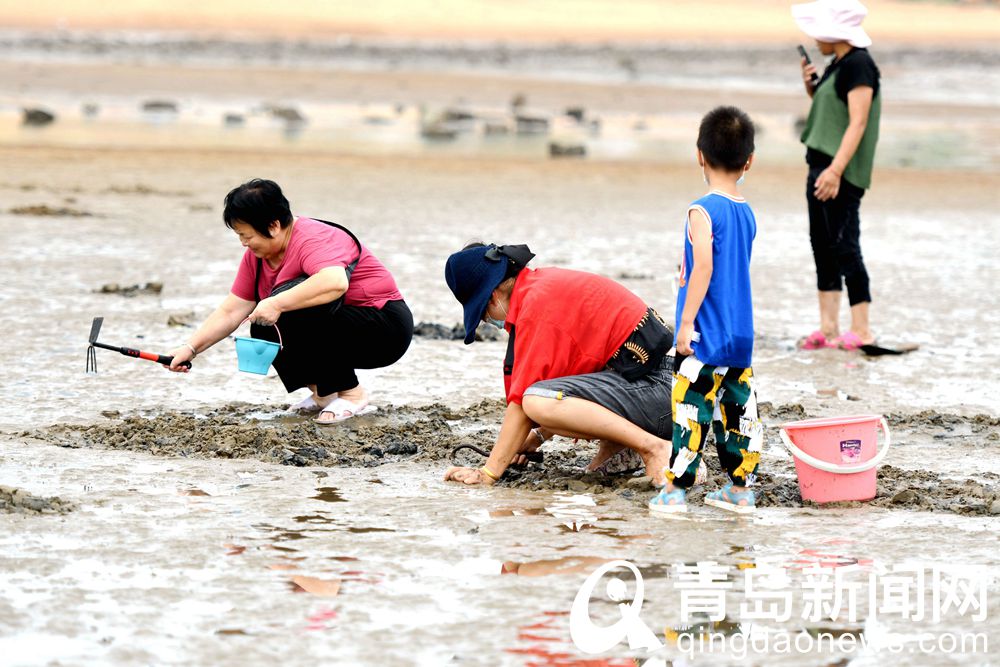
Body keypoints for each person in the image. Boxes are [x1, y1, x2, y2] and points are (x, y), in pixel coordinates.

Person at [166, 179, 413, 422]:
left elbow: (335, 282)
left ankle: (351, 394)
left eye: (247, 235)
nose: (243, 243)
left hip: (384, 328)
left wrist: (276, 303)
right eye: (239, 235)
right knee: (262, 322)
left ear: (273, 226)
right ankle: (323, 394)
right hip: (339, 326)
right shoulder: (257, 257)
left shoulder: (313, 238)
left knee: (287, 309)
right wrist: (191, 348)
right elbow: (232, 311)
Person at [441, 243, 674, 487]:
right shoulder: (541, 285)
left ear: (492, 298)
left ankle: (655, 449)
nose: (489, 322)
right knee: (546, 397)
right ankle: (622, 450)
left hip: (663, 390)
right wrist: (537, 437)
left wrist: (488, 473)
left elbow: (525, 402)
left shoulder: (535, 308)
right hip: (671, 388)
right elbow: (577, 387)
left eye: (483, 316)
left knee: (536, 401)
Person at [648, 106, 762, 515]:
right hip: (740, 336)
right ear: (749, 160)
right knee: (737, 413)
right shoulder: (746, 212)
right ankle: (740, 487)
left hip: (705, 335)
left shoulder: (700, 210)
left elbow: (705, 267)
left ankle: (675, 491)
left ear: (700, 154)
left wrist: (685, 324)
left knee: (691, 410)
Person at [794, 0, 881, 350]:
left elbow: (858, 123)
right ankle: (828, 328)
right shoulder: (838, 64)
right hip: (821, 166)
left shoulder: (859, 65)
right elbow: (834, 113)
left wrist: (835, 171)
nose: (815, 40)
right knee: (822, 246)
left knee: (846, 246)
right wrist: (812, 87)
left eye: (820, 32)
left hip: (838, 171)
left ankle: (861, 330)